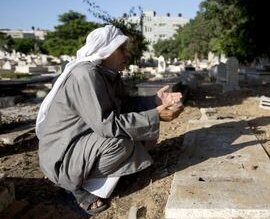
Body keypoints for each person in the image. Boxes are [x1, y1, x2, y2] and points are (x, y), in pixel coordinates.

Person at [35, 25, 183, 215]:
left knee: (142, 133)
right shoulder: (86, 75)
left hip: (85, 141)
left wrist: (155, 101)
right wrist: (156, 115)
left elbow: (126, 105)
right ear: (106, 51)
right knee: (121, 143)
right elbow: (108, 125)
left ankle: (99, 176)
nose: (126, 54)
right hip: (63, 155)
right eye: (121, 49)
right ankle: (75, 187)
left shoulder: (108, 75)